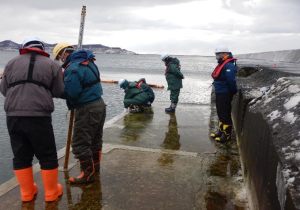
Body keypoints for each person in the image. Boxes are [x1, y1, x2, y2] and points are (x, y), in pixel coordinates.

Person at [0, 36, 64, 202]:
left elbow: (4, 90)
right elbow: (58, 91)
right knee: (47, 155)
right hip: (39, 116)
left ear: (24, 47)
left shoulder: (11, 63)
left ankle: (27, 193)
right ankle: (51, 193)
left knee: (21, 155)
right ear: (42, 49)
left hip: (13, 115)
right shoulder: (52, 65)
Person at [53, 43, 106, 184]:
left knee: (79, 143)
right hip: (100, 104)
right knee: (95, 140)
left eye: (59, 57)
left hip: (87, 108)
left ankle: (87, 175)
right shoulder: (89, 62)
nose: (60, 60)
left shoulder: (73, 68)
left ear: (64, 53)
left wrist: (56, 92)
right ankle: (95, 168)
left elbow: (72, 93)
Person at [210, 47, 237, 143]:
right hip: (219, 91)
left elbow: (231, 81)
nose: (217, 56)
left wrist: (232, 91)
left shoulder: (229, 65)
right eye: (216, 54)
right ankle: (221, 131)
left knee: (225, 114)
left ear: (225, 54)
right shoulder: (223, 64)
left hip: (225, 93)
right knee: (220, 113)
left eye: (219, 54)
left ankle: (227, 134)